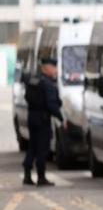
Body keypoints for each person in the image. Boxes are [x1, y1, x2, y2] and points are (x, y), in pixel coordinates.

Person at [23, 57, 65, 186]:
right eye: (54, 67)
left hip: (32, 117)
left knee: (32, 147)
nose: (55, 70)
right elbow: (51, 104)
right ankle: (41, 177)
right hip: (43, 120)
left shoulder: (34, 80)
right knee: (42, 148)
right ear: (47, 68)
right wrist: (61, 119)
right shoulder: (47, 84)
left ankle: (27, 175)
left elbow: (27, 97)